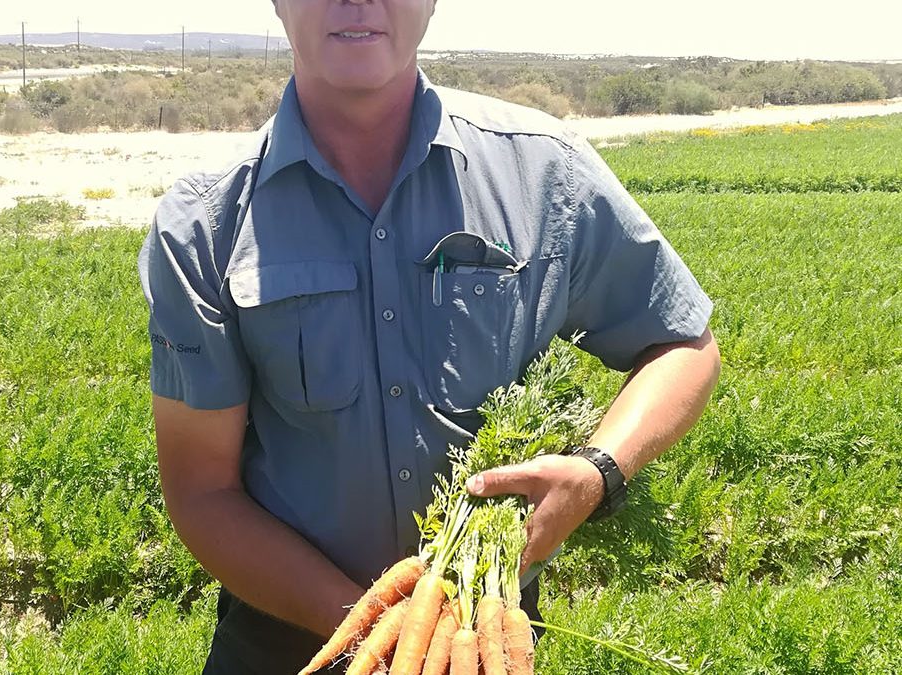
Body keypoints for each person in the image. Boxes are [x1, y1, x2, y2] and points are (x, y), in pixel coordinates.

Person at [137, 0, 721, 672]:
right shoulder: (204, 224)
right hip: (289, 640)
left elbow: (683, 344)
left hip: (483, 639)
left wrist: (597, 472)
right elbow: (203, 491)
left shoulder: (544, 175)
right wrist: (373, 633)